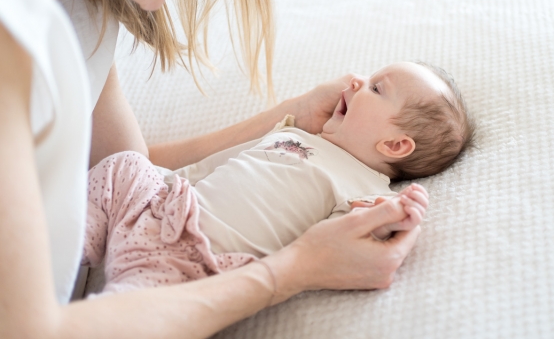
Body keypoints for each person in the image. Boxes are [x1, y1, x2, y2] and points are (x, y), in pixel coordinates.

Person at [0, 0, 427, 337]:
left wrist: (291, 116)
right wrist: (295, 269)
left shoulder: (84, 7)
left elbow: (129, 169)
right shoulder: (12, 33)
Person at [82, 62, 476, 294]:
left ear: (394, 146)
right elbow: (215, 165)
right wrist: (161, 181)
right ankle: (69, 238)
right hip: (162, 206)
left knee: (135, 308)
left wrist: (394, 218)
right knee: (124, 167)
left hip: (195, 261)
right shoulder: (293, 135)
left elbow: (348, 237)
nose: (356, 81)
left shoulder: (365, 189)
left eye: (376, 88)